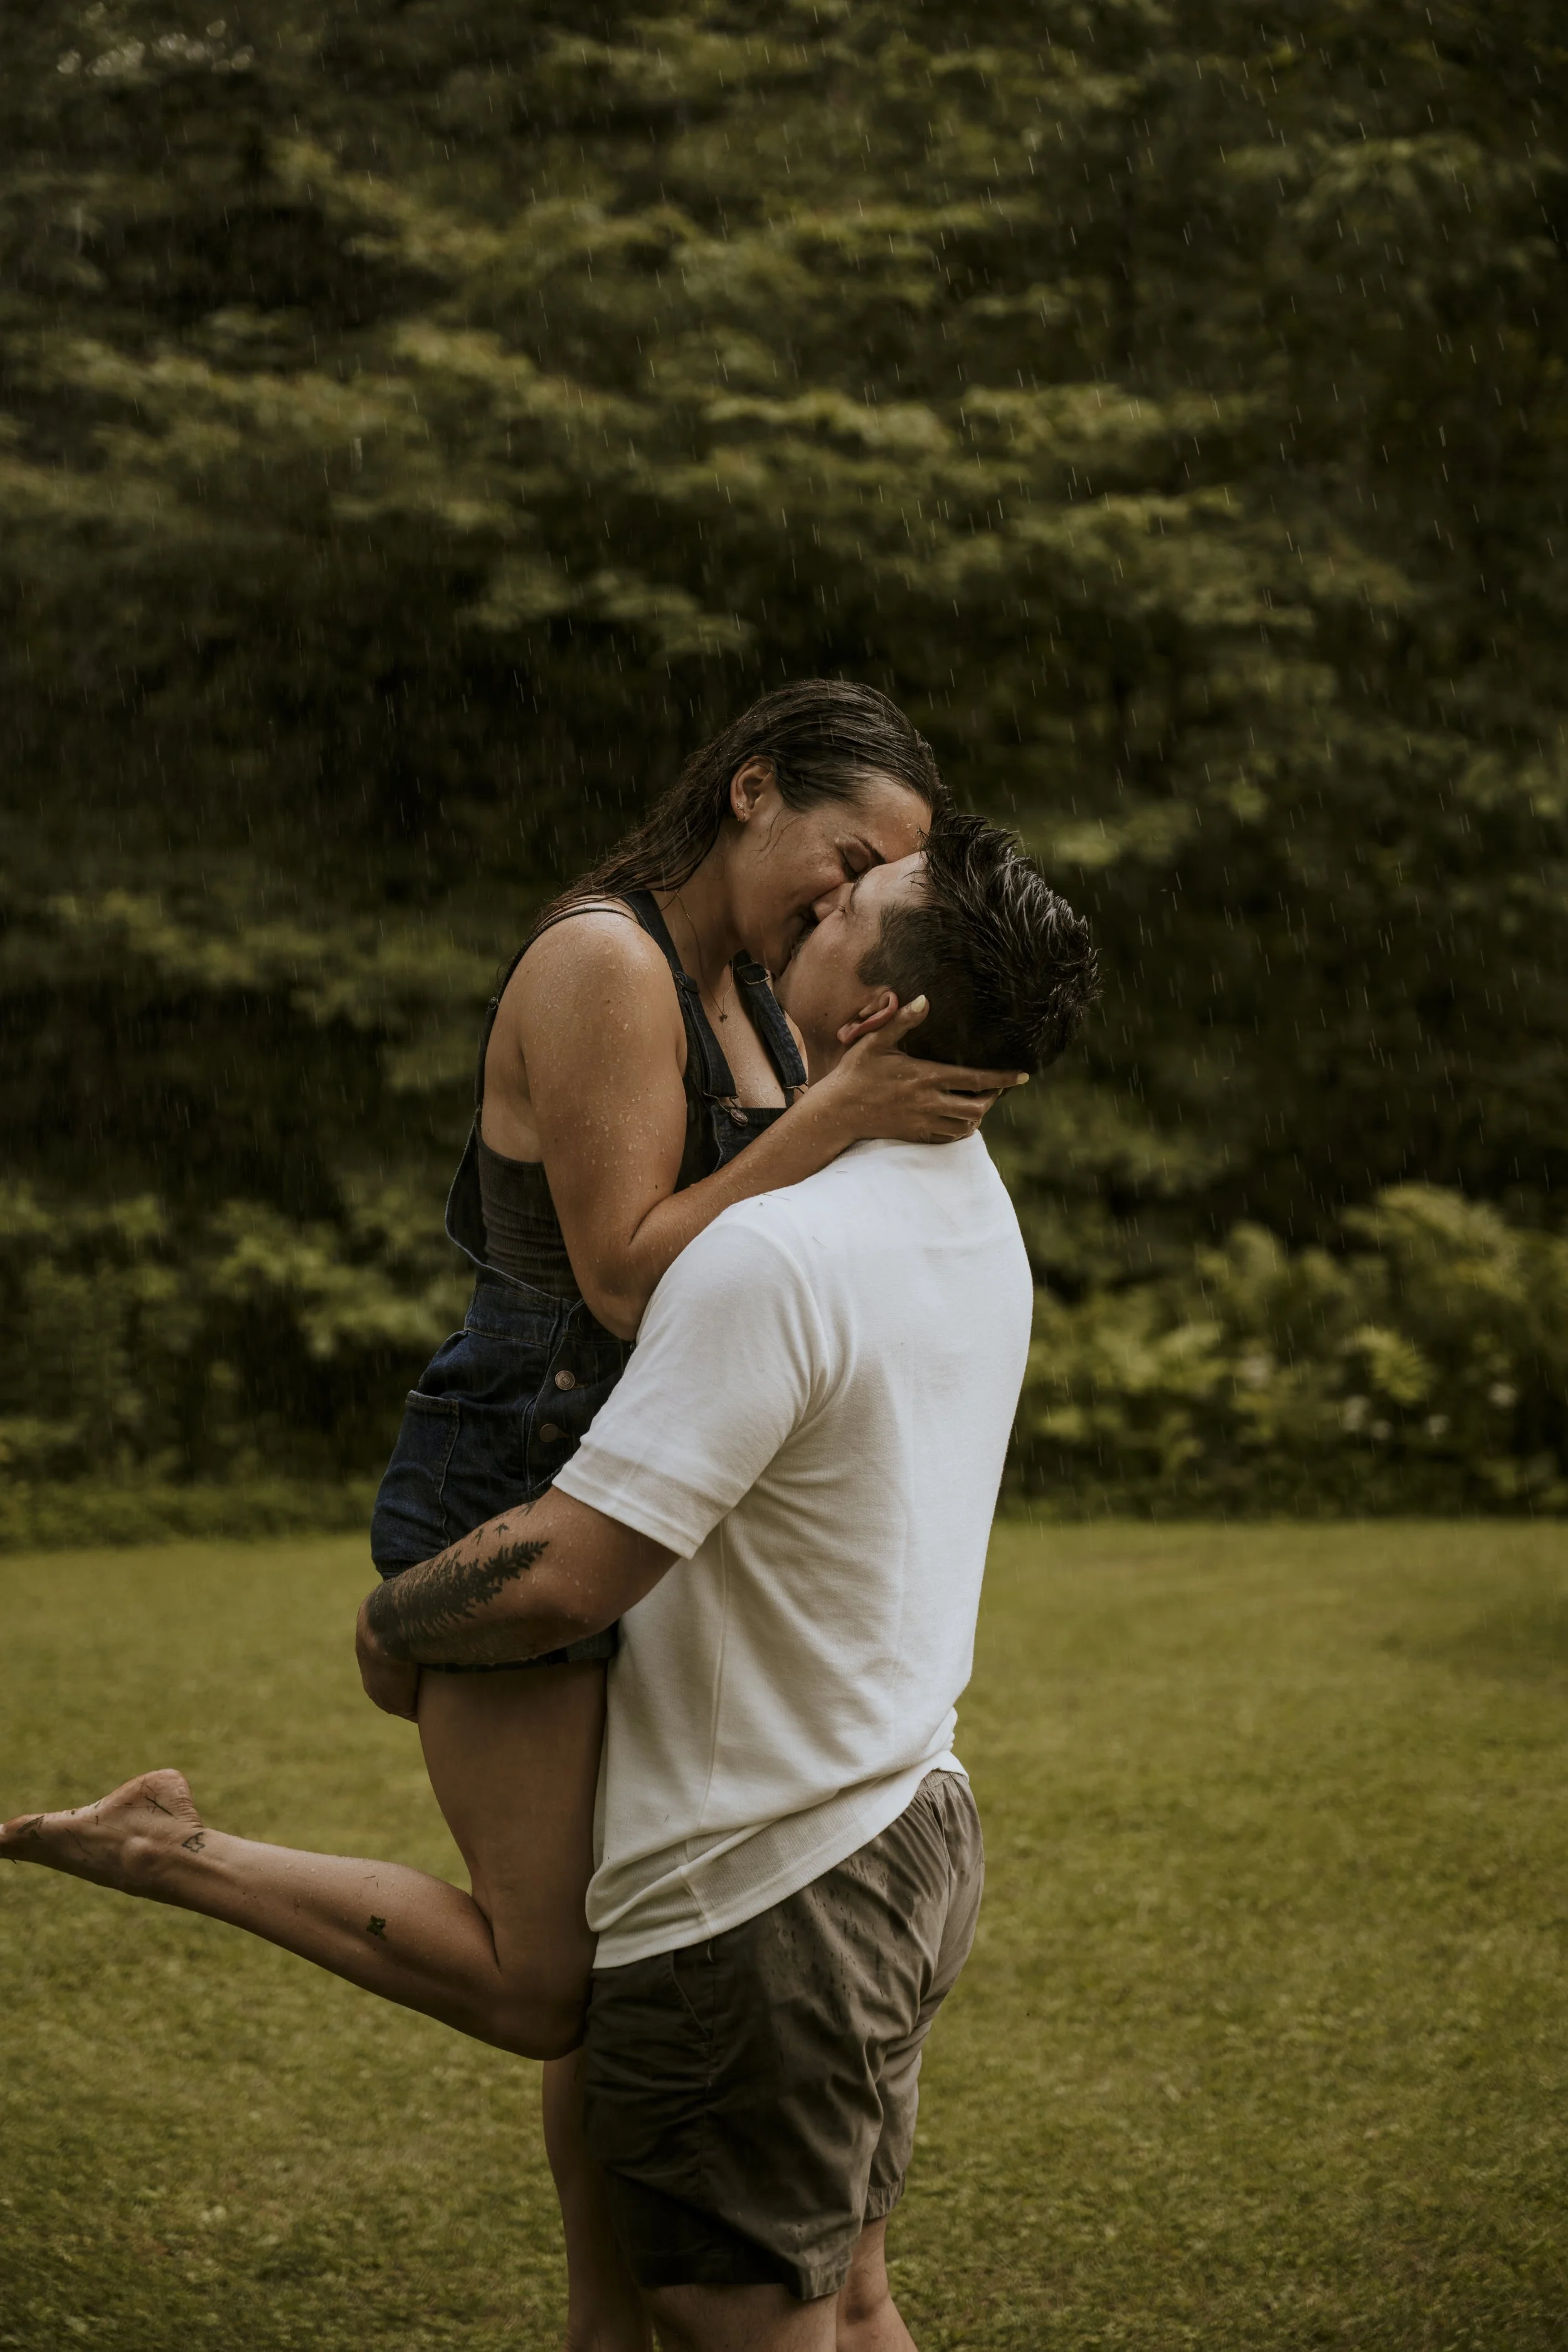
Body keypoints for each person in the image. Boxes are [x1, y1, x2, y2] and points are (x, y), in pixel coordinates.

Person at [3, 812, 1099, 2351]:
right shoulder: (971, 1206)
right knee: (846, 2304)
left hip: (759, 1902)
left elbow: (568, 1573)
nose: (833, 897)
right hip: (904, 1830)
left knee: (756, 2327)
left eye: (867, 901)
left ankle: (171, 1852)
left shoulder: (773, 1257)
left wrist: (394, 1618)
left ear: (876, 1016)